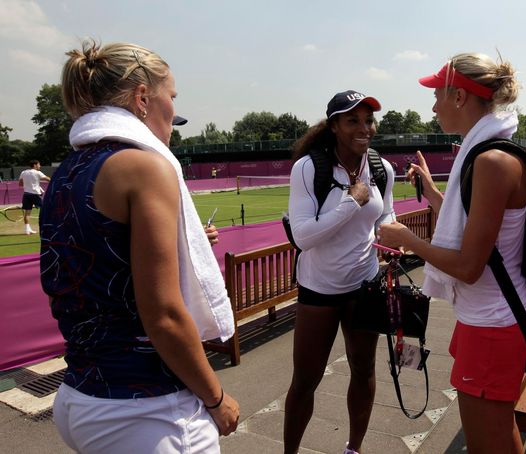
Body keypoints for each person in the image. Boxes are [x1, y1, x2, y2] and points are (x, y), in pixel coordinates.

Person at [39, 40, 238, 453]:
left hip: (80, 396)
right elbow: (163, 314)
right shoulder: (145, 167)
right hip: (146, 411)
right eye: (172, 97)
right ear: (142, 97)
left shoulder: (67, 169)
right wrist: (216, 398)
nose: (173, 111)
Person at [378, 53, 526, 454]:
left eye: (437, 95)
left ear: (460, 97)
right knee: (494, 433)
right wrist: (431, 193)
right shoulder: (487, 152)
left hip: (492, 323)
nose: (432, 106)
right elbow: (477, 229)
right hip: (488, 318)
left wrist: (407, 239)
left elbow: (468, 266)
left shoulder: (491, 160)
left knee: (489, 440)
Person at [284, 90, 396, 454]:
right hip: (319, 288)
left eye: (368, 121)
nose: (364, 128)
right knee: (305, 381)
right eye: (353, 120)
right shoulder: (309, 168)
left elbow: (384, 217)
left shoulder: (381, 168)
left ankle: (354, 449)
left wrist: (394, 240)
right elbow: (303, 237)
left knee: (363, 371)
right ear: (334, 126)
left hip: (364, 284)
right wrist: (351, 202)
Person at [18, 159, 50, 235]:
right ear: (35, 165)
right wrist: (55, 182)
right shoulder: (37, 172)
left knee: (27, 213)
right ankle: (46, 228)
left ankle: (27, 230)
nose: (40, 166)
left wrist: (28, 185)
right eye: (39, 164)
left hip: (26, 194)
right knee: (46, 210)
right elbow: (47, 179)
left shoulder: (24, 172)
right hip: (35, 195)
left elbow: (20, 184)